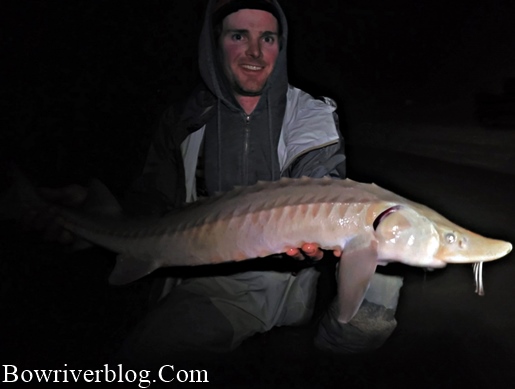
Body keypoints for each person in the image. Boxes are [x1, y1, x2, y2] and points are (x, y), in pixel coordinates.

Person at [27, 0, 403, 365]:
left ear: (281, 46)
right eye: (239, 36)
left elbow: (323, 176)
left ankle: (331, 361)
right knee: (151, 353)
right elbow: (154, 200)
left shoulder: (310, 112)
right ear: (214, 42)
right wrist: (100, 218)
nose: (255, 52)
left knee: (386, 272)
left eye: (268, 39)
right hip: (220, 282)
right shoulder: (184, 120)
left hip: (297, 279)